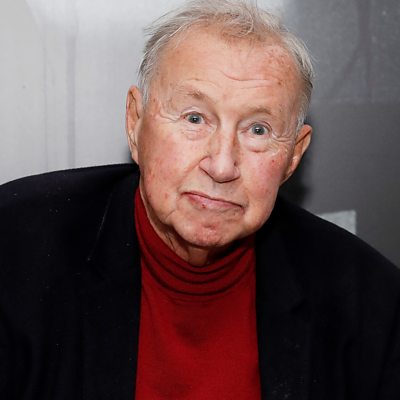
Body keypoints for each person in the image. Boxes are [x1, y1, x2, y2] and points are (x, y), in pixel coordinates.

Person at [1, 0, 399, 399]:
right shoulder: (16, 252)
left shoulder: (368, 302)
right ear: (135, 123)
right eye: (194, 118)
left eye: (258, 130)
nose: (222, 166)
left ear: (293, 156)